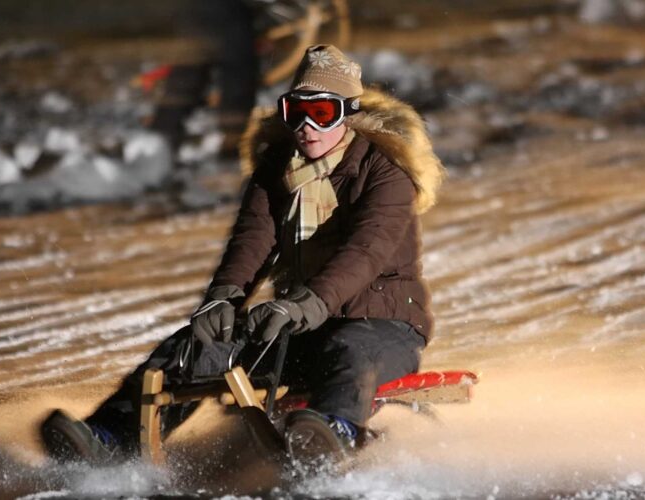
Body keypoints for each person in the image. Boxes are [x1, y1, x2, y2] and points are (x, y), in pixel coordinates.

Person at [40, 45, 445, 465]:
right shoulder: (278, 169)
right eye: (295, 112)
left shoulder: (383, 173)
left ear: (348, 113)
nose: (307, 126)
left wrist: (310, 302)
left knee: (351, 349)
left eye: (321, 113)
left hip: (383, 325)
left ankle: (335, 431)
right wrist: (224, 297)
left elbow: (366, 251)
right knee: (193, 347)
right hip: (302, 324)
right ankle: (112, 435)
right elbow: (253, 240)